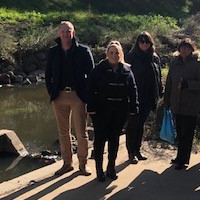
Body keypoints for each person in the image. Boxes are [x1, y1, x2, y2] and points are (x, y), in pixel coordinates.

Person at [45, 21, 95, 176]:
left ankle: (83, 164)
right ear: (59, 33)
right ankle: (67, 163)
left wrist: (86, 95)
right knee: (63, 133)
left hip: (78, 96)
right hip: (59, 96)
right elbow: (48, 75)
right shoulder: (53, 52)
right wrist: (52, 93)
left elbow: (92, 75)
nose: (66, 34)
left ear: (73, 33)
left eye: (69, 31)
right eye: (63, 31)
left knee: (81, 132)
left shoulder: (83, 51)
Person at [86, 41, 138, 181]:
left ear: (121, 54)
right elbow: (90, 89)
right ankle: (99, 170)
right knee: (100, 140)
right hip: (101, 111)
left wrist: (134, 106)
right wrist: (91, 108)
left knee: (114, 140)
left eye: (117, 53)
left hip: (119, 111)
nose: (114, 55)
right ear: (107, 54)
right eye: (111, 52)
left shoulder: (127, 70)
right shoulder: (98, 69)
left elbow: (132, 90)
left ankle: (111, 168)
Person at [163, 38, 200, 170]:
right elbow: (169, 84)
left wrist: (189, 84)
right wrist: (166, 102)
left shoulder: (197, 64)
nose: (184, 50)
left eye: (187, 48)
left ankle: (183, 160)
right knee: (179, 133)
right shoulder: (174, 63)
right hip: (177, 104)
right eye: (182, 47)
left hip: (191, 105)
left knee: (187, 133)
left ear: (192, 50)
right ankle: (179, 156)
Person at [124, 31, 163, 164]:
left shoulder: (154, 57)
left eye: (147, 41)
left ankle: (137, 150)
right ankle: (131, 152)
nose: (144, 44)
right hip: (134, 96)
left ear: (150, 43)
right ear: (137, 43)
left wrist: (160, 91)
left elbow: (158, 76)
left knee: (140, 124)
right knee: (132, 125)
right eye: (142, 41)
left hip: (148, 96)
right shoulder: (131, 57)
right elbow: (126, 77)